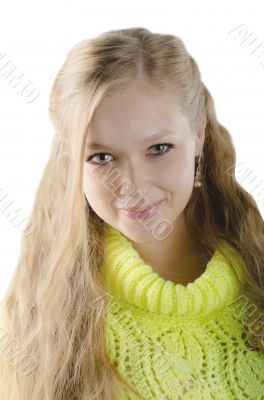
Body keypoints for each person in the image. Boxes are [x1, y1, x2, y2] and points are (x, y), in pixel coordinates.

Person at [0, 27, 263, 400]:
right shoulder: (34, 325)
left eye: (158, 148)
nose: (131, 186)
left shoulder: (258, 281)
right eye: (101, 157)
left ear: (199, 136)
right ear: (72, 163)